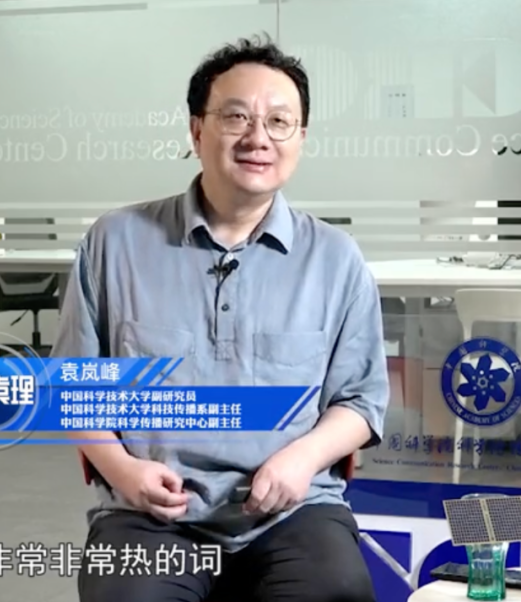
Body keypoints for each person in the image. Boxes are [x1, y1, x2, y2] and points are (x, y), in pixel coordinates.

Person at [52, 35, 389, 602]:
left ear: (301, 139)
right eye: (236, 117)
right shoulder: (115, 243)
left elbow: (361, 401)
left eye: (279, 122)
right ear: (196, 131)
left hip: (292, 511)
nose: (259, 138)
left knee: (335, 592)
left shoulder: (335, 259)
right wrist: (126, 472)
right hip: (152, 514)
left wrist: (302, 460)